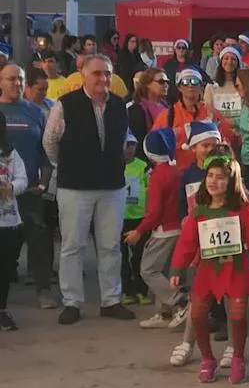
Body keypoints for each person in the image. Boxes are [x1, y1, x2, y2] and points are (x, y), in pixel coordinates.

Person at [42, 55, 136, 324]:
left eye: (107, 73)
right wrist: (68, 165)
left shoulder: (119, 105)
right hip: (75, 187)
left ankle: (111, 300)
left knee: (110, 246)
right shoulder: (65, 105)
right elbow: (50, 141)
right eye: (96, 73)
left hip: (111, 186)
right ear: (82, 74)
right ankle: (71, 302)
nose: (102, 79)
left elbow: (123, 136)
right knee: (72, 246)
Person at [168, 155, 249, 383]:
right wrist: (177, 268)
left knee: (237, 316)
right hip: (207, 271)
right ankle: (207, 359)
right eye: (210, 176)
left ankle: (238, 357)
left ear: (232, 181)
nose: (213, 181)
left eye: (220, 177)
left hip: (235, 270)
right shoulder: (199, 212)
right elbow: (187, 243)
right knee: (197, 315)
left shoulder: (243, 210)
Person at [0, 62, 55, 308]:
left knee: (39, 241)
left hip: (30, 190)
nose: (17, 84)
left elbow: (47, 153)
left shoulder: (36, 112)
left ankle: (43, 290)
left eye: (20, 79)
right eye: (11, 79)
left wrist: (43, 185)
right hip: (2, 194)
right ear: (1, 82)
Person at [130, 129, 188, 335]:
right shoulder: (176, 172)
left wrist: (138, 231)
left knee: (148, 270)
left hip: (163, 230)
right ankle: (165, 313)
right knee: (164, 271)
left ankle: (180, 302)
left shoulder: (158, 176)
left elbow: (154, 213)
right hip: (178, 228)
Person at [154, 66, 232, 169]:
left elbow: (227, 140)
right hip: (178, 175)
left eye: (195, 81)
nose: (190, 85)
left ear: (201, 87)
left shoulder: (211, 112)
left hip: (207, 174)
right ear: (179, 87)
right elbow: (154, 148)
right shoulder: (168, 115)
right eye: (185, 82)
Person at [0, 113, 28, 329]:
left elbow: (22, 179)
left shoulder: (10, 154)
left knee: (5, 267)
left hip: (7, 220)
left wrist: (11, 188)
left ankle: (1, 309)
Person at [120, 135, 151, 305]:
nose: (129, 148)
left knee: (139, 255)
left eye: (132, 144)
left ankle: (142, 289)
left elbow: (150, 187)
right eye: (125, 145)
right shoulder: (114, 166)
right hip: (120, 217)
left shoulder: (143, 166)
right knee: (121, 257)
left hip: (139, 217)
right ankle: (127, 290)